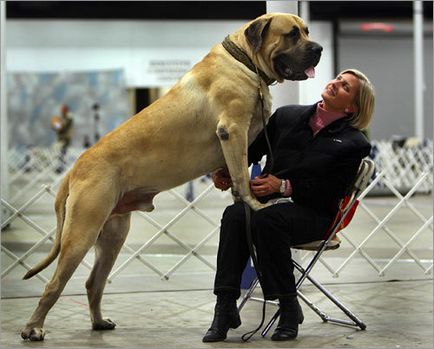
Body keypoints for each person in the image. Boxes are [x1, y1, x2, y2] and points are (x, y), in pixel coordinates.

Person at [202, 68, 375, 342]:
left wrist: (283, 186)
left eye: (345, 87)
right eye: (337, 79)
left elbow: (333, 191)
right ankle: (224, 306)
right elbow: (253, 150)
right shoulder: (286, 116)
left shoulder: (355, 144)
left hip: (315, 213)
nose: (335, 84)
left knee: (266, 220)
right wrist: (227, 169)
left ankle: (288, 306)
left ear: (352, 106)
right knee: (236, 214)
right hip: (271, 208)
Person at [51, 103, 74, 173]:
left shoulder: (69, 117)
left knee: (62, 152)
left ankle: (62, 167)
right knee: (60, 153)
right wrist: (54, 125)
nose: (61, 110)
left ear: (66, 110)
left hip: (66, 138)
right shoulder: (63, 117)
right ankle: (60, 167)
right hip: (61, 138)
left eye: (62, 109)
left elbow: (62, 126)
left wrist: (56, 124)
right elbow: (58, 128)